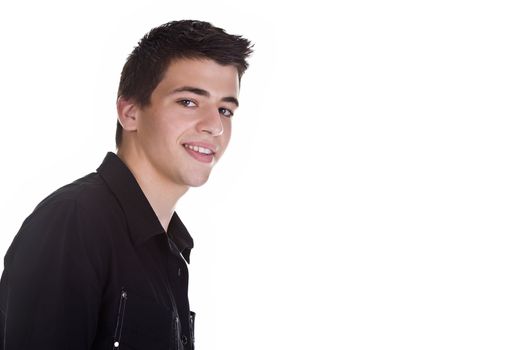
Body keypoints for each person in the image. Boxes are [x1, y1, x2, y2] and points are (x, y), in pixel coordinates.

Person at [0, 20, 253, 349]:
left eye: (225, 110)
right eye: (189, 102)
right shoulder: (74, 220)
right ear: (130, 112)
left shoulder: (170, 249)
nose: (214, 126)